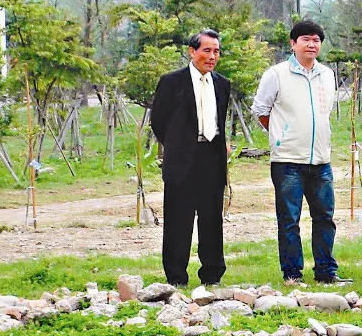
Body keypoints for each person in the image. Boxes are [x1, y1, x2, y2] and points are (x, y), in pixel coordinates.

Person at [252, 20, 350, 286]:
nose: (311, 44)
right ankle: (292, 274)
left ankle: (326, 271)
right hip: (287, 161)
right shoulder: (277, 73)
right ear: (293, 43)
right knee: (289, 220)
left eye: (316, 40)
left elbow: (324, 112)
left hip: (321, 159)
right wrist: (280, 135)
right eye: (305, 39)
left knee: (325, 218)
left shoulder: (327, 75)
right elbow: (261, 109)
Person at [150, 29, 230, 288]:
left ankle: (212, 274)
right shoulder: (172, 82)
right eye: (206, 50)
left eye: (216, 51)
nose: (212, 56)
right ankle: (176, 276)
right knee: (178, 219)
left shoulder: (222, 84)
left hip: (212, 157)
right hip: (183, 158)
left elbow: (220, 120)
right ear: (192, 51)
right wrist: (177, 145)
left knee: (211, 218)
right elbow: (159, 121)